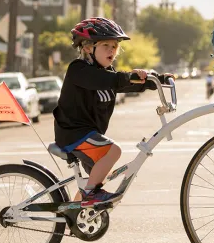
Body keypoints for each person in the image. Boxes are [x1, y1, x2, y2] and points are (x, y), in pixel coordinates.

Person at [53, 17, 157, 203]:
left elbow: (123, 84)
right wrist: (128, 77)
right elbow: (108, 80)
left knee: (98, 176)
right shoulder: (78, 70)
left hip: (89, 134)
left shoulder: (107, 73)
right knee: (114, 151)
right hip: (73, 133)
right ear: (87, 48)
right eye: (105, 45)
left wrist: (155, 80)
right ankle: (89, 195)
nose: (112, 50)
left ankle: (76, 213)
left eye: (115, 46)